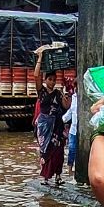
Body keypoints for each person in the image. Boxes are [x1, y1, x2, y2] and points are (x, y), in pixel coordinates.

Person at [32, 48, 69, 187]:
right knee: (46, 150)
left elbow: (66, 106)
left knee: (58, 151)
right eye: (50, 79)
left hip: (57, 125)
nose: (52, 82)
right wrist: (40, 58)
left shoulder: (58, 93)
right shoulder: (41, 91)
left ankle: (58, 176)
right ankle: (46, 177)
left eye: (54, 80)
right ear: (46, 79)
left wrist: (68, 94)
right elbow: (36, 76)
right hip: (45, 125)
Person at [63, 82, 79, 177]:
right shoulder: (73, 98)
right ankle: (69, 170)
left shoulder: (85, 98)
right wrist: (62, 120)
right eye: (75, 86)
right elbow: (70, 112)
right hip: (73, 129)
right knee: (72, 149)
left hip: (81, 130)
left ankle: (77, 169)